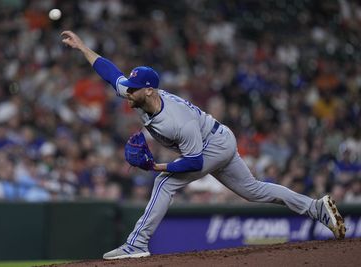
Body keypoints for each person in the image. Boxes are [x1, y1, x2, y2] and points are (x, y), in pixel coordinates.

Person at [61, 30, 346, 260]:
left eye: (134, 88)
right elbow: (111, 73)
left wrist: (156, 165)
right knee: (254, 190)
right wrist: (83, 47)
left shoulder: (176, 120)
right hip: (216, 138)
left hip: (213, 144)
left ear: (149, 90)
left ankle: (137, 244)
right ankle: (316, 208)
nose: (128, 92)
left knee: (164, 182)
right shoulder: (136, 93)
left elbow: (195, 162)